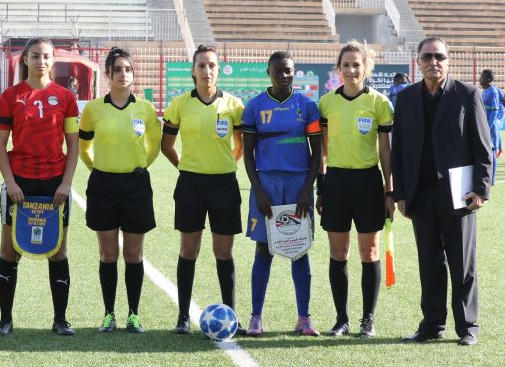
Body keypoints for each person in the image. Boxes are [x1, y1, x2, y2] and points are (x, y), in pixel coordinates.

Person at [392, 37, 492, 346]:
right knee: (429, 263)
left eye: (439, 56)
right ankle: (432, 325)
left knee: (462, 263)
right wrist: (400, 194)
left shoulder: (468, 94)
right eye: (427, 56)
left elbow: (483, 148)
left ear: (448, 60)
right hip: (420, 195)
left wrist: (481, 189)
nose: (433, 61)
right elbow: (399, 149)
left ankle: (467, 328)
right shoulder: (406, 98)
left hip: (459, 194)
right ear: (417, 61)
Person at [0, 38, 79, 336]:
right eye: (35, 56)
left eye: (46, 56)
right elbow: (0, 145)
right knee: (10, 250)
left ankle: (61, 320)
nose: (41, 61)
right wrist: (10, 182)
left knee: (57, 251)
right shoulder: (10, 96)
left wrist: (66, 183)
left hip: (55, 183)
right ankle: (5, 320)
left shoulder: (65, 97)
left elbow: (73, 144)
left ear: (53, 60)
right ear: (25, 60)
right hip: (20, 182)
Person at [161, 44, 246, 335]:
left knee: (224, 252)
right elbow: (167, 145)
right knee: (189, 250)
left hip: (224, 184)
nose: (206, 71)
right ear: (193, 70)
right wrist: (185, 166)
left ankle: (231, 316)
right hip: (191, 185)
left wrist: (224, 163)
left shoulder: (234, 105)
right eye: (201, 66)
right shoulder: (180, 104)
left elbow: (240, 146)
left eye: (211, 65)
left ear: (218, 70)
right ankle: (183, 317)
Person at [79, 47, 161, 334]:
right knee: (108, 254)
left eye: (127, 69)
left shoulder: (146, 109)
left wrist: (142, 165)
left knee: (134, 255)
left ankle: (134, 314)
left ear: (133, 74)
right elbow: (83, 146)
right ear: (108, 75)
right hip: (103, 186)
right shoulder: (93, 109)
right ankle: (109, 314)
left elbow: (155, 143)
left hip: (136, 186)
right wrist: (96, 168)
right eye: (117, 70)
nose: (123, 74)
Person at [316, 40, 394, 338]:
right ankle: (341, 319)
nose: (351, 70)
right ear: (338, 68)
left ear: (366, 68)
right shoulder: (326, 103)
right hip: (336, 182)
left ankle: (367, 320)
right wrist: (321, 189)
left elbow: (385, 151)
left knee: (370, 251)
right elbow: (321, 151)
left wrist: (389, 190)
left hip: (367, 183)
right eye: (345, 65)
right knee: (338, 252)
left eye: (356, 65)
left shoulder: (379, 103)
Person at [242, 51, 322, 336]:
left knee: (300, 249)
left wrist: (306, 189)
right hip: (267, 185)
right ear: (269, 73)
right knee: (263, 249)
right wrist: (259, 190)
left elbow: (317, 154)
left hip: (299, 184)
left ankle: (304, 319)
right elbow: (248, 155)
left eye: (288, 70)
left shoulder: (307, 106)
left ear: (294, 72)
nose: (284, 75)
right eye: (278, 71)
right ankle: (256, 317)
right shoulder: (253, 107)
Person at [479, 69, 504, 184]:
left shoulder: (493, 91)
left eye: (482, 76)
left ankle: (492, 179)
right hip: (485, 123)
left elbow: (494, 110)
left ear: (489, 79)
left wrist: (488, 126)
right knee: (486, 151)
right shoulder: (484, 91)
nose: (480, 78)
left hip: (491, 125)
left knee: (492, 151)